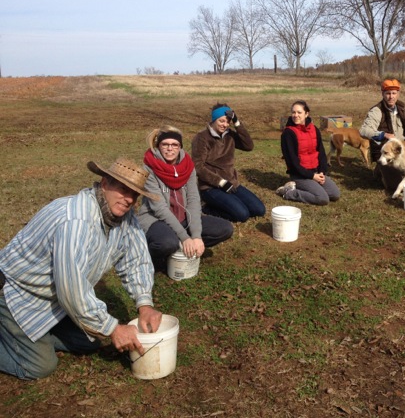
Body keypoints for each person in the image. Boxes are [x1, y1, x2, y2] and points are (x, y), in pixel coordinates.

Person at [0, 157, 163, 380]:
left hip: (52, 297)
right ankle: (18, 335)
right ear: (105, 183)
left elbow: (136, 259)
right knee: (40, 366)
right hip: (16, 293)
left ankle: (36, 335)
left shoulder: (125, 216)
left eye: (134, 194)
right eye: (123, 189)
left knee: (91, 340)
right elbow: (71, 288)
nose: (128, 199)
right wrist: (114, 329)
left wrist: (144, 303)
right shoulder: (75, 220)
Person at [137, 125, 234, 271]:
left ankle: (183, 247)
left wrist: (196, 236)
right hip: (157, 219)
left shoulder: (188, 167)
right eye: (165, 144)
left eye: (175, 145)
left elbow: (194, 200)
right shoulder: (148, 169)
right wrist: (184, 237)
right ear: (158, 146)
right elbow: (159, 209)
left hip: (183, 218)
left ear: (180, 147)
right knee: (167, 243)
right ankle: (149, 258)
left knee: (225, 228)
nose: (170, 149)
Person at [191, 103, 266, 223]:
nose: (225, 125)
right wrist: (220, 182)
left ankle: (230, 203)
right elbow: (198, 166)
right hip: (211, 187)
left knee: (259, 210)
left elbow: (249, 146)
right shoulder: (202, 138)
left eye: (228, 121)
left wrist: (237, 123)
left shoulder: (229, 135)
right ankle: (206, 207)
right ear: (214, 119)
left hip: (232, 184)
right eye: (221, 121)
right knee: (242, 215)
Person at [360, 78, 405, 192]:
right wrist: (383, 135)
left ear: (398, 94)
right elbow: (364, 130)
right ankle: (381, 170)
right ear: (383, 94)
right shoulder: (376, 111)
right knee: (395, 185)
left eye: (394, 93)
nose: (391, 97)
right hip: (387, 151)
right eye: (388, 93)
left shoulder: (402, 108)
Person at [278, 100, 341, 205]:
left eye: (299, 112)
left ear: (307, 114)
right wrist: (312, 176)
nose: (295, 115)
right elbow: (292, 163)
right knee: (322, 198)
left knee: (335, 194)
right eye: (293, 112)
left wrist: (322, 172)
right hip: (299, 174)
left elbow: (321, 152)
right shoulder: (288, 133)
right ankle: (289, 192)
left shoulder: (314, 129)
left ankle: (312, 185)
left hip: (316, 171)